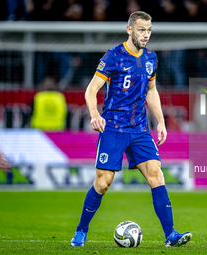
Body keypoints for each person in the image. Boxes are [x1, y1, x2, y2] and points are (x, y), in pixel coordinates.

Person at [70, 11, 192, 247]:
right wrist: (95, 115)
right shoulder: (113, 56)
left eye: (149, 30)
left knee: (156, 175)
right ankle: (81, 230)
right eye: (141, 30)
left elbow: (152, 91)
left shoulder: (151, 58)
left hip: (139, 129)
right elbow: (91, 90)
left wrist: (161, 121)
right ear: (129, 30)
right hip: (113, 127)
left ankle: (171, 235)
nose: (145, 35)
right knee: (103, 183)